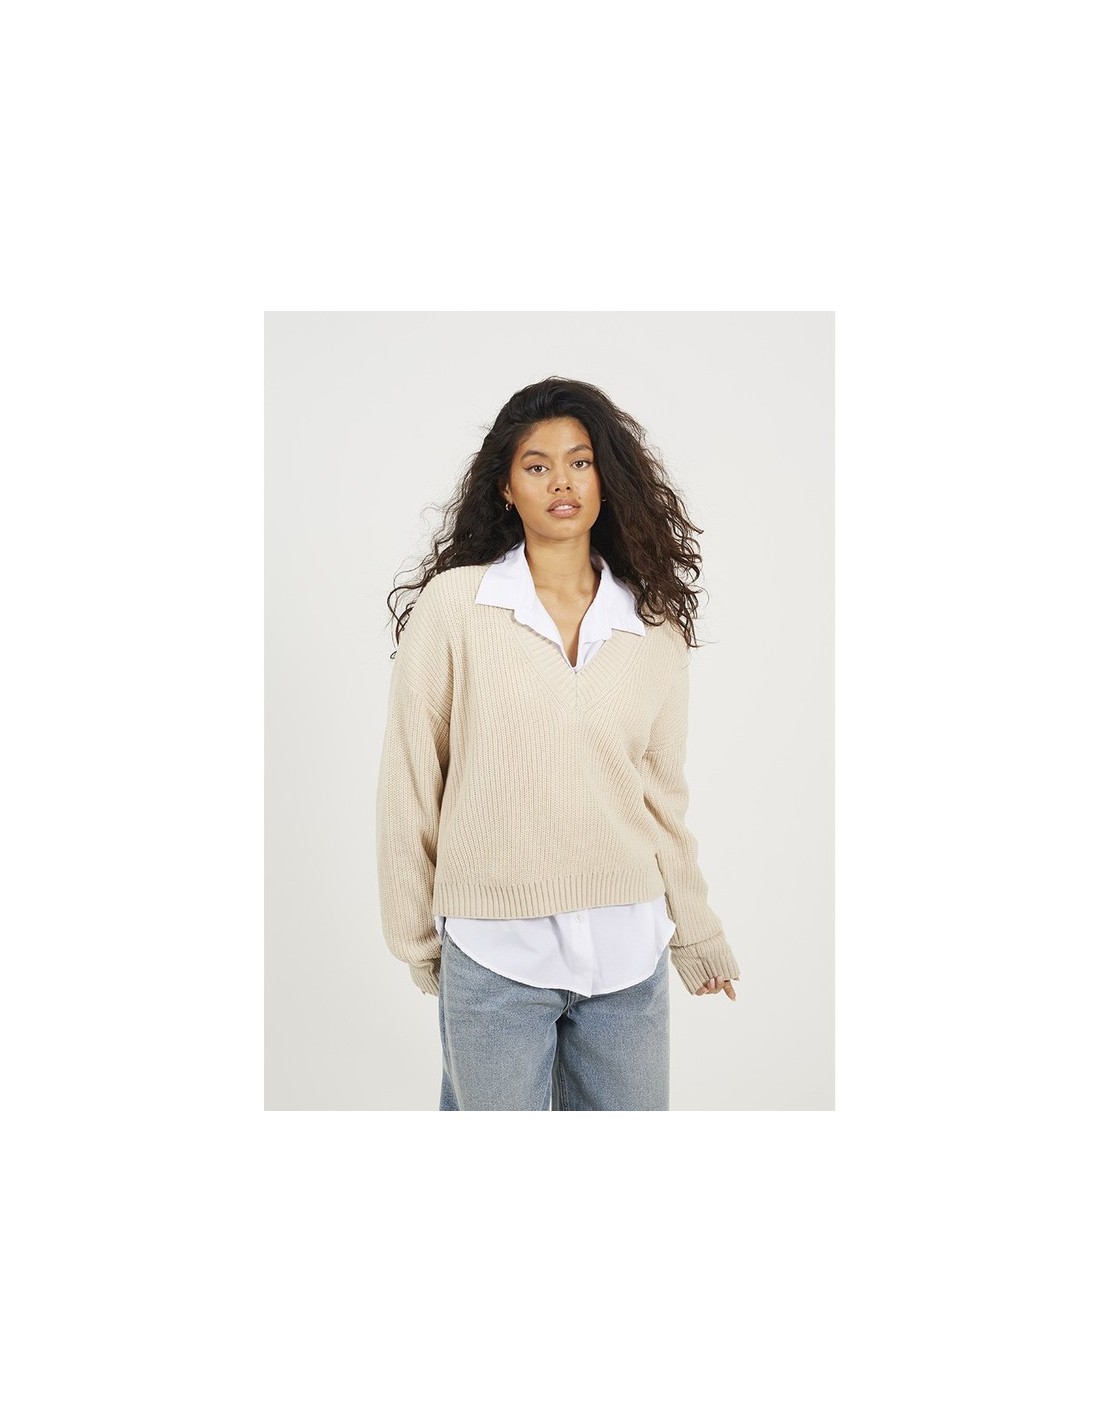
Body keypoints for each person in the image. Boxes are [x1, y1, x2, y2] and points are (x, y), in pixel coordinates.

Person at [376, 376, 739, 1111]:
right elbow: (411, 775)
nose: (562, 482)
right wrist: (416, 936)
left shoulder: (654, 628)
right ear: (506, 488)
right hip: (493, 949)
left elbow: (660, 796)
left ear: (607, 479)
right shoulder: (458, 608)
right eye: (537, 466)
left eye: (580, 462)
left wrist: (695, 930)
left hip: (628, 952)